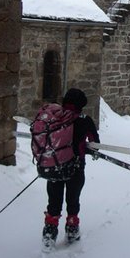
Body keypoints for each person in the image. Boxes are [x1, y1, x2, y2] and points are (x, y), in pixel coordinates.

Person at [42, 88, 100, 247]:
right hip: (75, 167)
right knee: (73, 199)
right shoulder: (84, 120)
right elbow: (95, 143)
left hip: (54, 166)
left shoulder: (54, 117)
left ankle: (49, 232)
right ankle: (72, 228)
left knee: (53, 200)